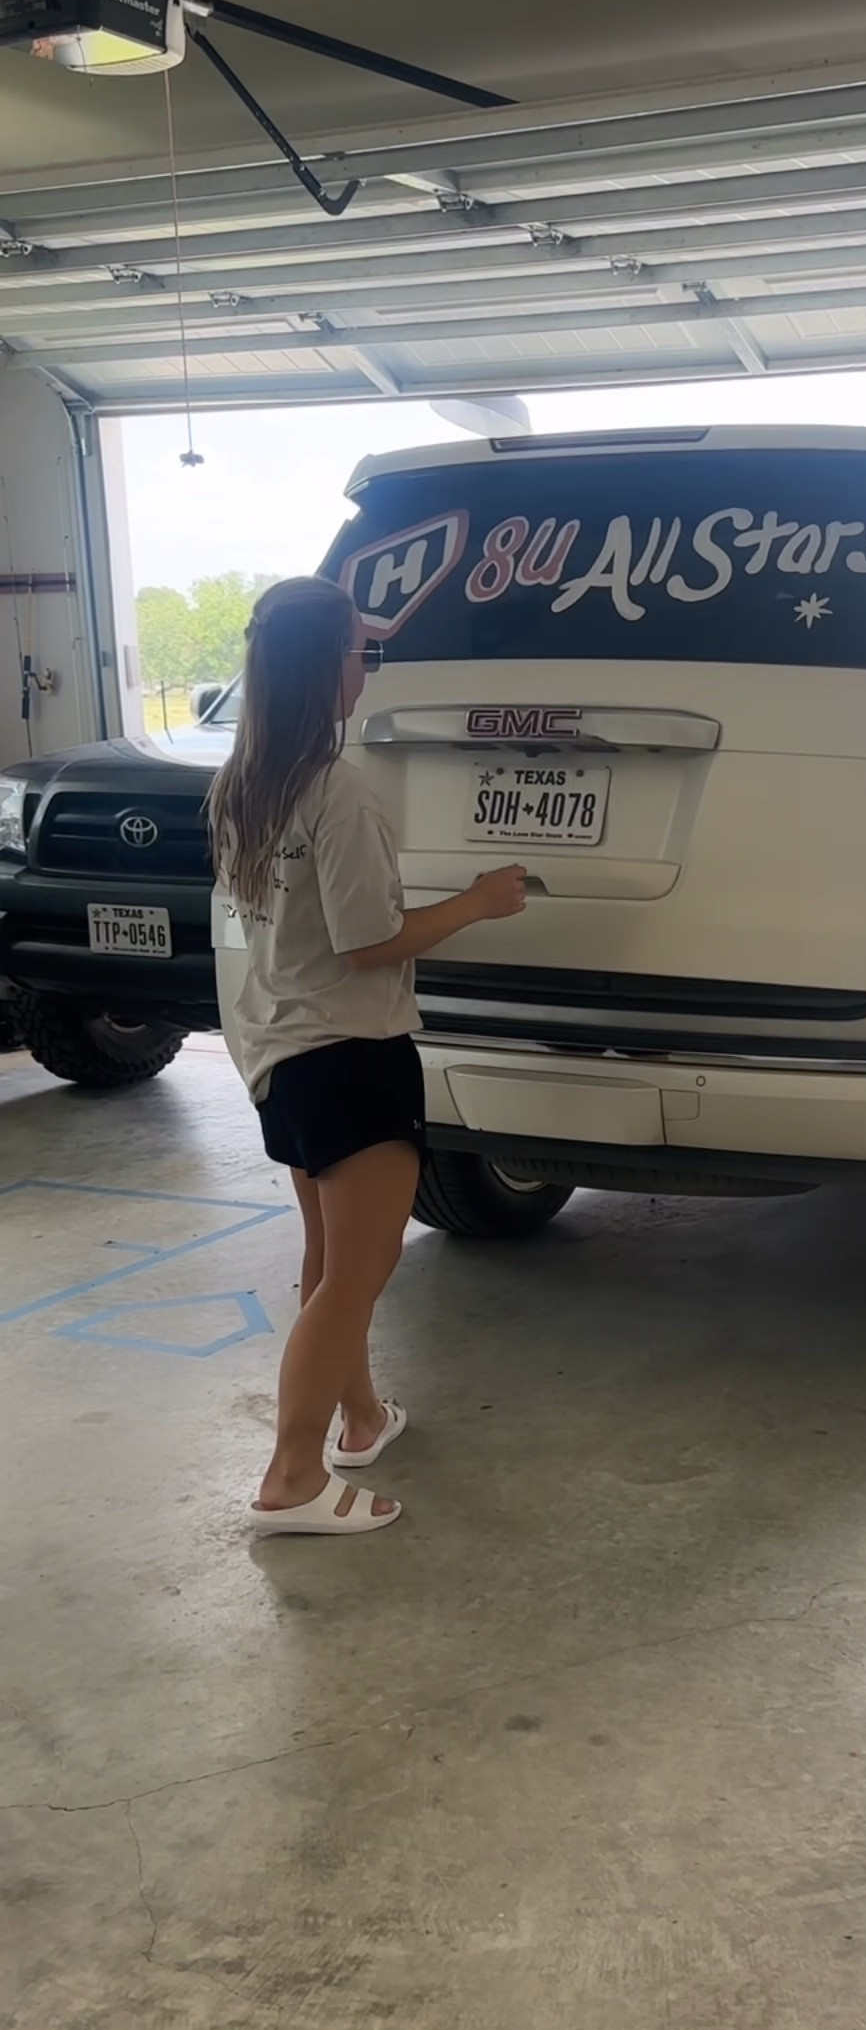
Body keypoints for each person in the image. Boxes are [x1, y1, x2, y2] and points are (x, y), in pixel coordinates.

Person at [208, 576, 526, 1536]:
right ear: (327, 670)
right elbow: (368, 941)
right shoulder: (339, 793)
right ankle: (292, 1477)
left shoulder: (243, 783)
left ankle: (359, 1417)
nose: (366, 667)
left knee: (329, 1262)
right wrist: (480, 900)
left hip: (280, 1048)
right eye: (359, 652)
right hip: (351, 1050)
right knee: (357, 1273)